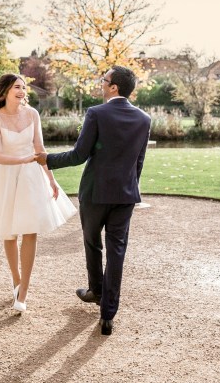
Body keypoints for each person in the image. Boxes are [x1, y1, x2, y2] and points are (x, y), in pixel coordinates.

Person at [36, 65, 151, 336]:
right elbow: (139, 161)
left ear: (114, 87)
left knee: (91, 242)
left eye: (105, 80)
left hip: (95, 193)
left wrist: (47, 159)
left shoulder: (96, 113)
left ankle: (96, 292)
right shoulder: (144, 118)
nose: (101, 83)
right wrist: (130, 188)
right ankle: (108, 313)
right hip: (125, 195)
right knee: (117, 251)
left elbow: (79, 155)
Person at [0, 74, 77, 313]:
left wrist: (51, 179)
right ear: (5, 91)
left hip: (32, 177)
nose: (22, 90)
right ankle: (16, 280)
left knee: (31, 230)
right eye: (17, 87)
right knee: (10, 232)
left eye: (24, 87)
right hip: (5, 176)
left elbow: (40, 150)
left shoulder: (33, 114)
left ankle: (24, 291)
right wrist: (24, 159)